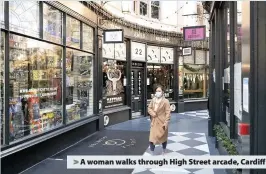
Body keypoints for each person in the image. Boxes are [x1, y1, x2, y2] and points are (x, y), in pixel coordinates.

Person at [148, 85, 171, 155]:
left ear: (162, 92)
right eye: (157, 91)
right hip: (154, 122)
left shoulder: (166, 101)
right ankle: (152, 152)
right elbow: (149, 108)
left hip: (162, 122)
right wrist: (153, 114)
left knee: (163, 138)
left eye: (159, 91)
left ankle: (164, 150)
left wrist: (166, 122)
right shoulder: (153, 100)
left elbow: (168, 112)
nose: (158, 92)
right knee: (152, 138)